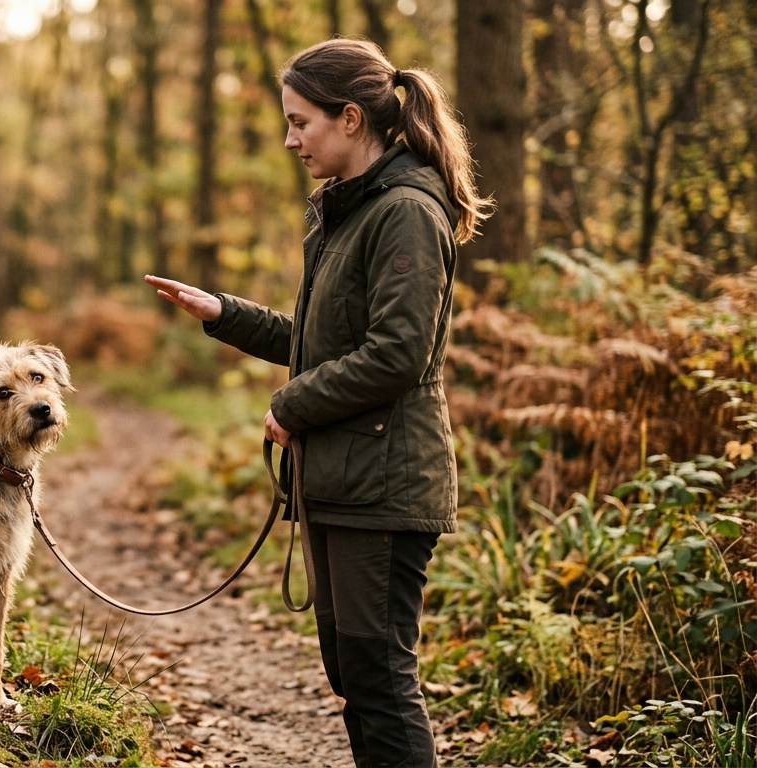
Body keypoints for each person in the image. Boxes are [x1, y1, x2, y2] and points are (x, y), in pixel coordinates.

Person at [145, 38, 491, 768]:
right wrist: (223, 313)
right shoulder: (347, 211)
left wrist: (294, 404)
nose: (289, 138)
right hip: (342, 477)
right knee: (352, 671)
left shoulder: (404, 212)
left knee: (380, 677)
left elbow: (397, 354)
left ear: (352, 118)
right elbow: (319, 342)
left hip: (388, 482)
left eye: (301, 122)